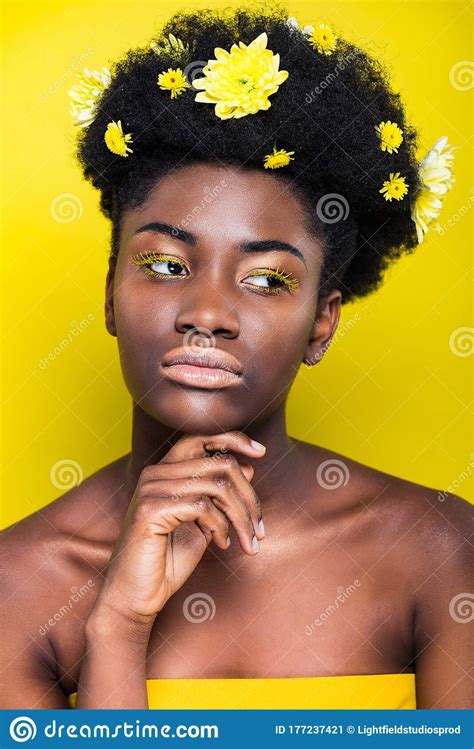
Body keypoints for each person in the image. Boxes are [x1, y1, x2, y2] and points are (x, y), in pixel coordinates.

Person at [1, 5, 471, 710]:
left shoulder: (437, 548)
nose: (208, 314)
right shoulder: (19, 582)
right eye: (164, 264)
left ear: (321, 322)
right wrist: (119, 627)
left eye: (267, 279)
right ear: (109, 294)